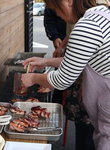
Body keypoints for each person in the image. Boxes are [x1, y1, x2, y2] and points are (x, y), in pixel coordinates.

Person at [22, 0, 110, 149]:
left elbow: (62, 79)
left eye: (55, 8)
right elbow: (77, 60)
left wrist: (32, 78)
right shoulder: (101, 15)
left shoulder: (87, 27)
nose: (57, 13)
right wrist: (44, 62)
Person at [44, 7, 95, 150]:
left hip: (94, 87)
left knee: (88, 133)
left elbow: (63, 77)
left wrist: (35, 78)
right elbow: (71, 35)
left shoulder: (90, 21)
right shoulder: (81, 18)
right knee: (83, 128)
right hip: (82, 80)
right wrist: (58, 49)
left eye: (59, 10)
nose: (59, 15)